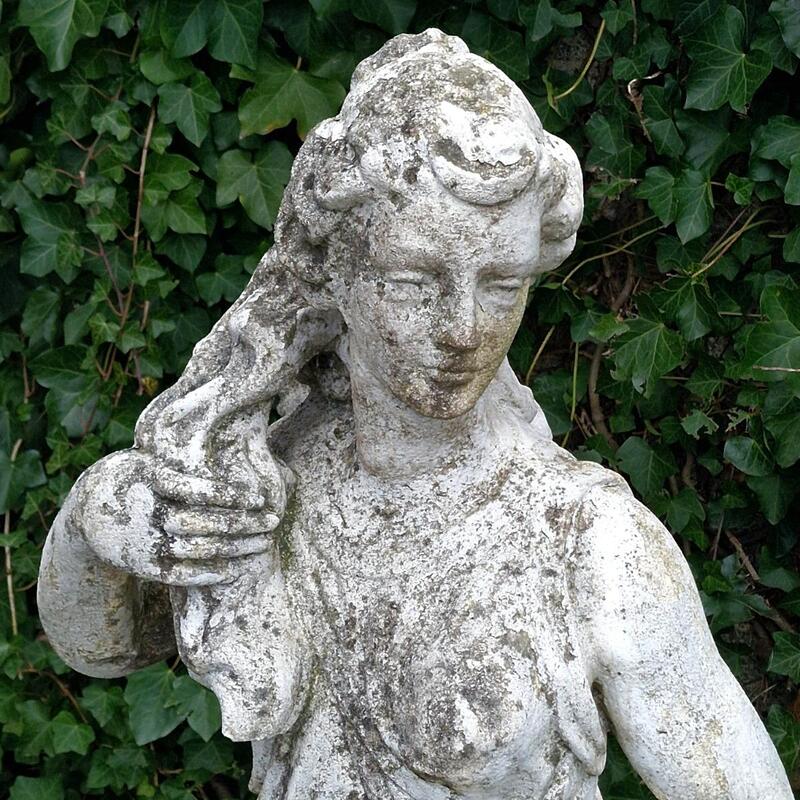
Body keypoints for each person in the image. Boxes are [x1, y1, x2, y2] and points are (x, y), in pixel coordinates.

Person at [37, 29, 792, 800]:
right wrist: (93, 522)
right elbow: (104, 650)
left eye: (502, 285)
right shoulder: (272, 479)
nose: (463, 329)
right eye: (412, 281)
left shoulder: (584, 542)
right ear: (336, 269)